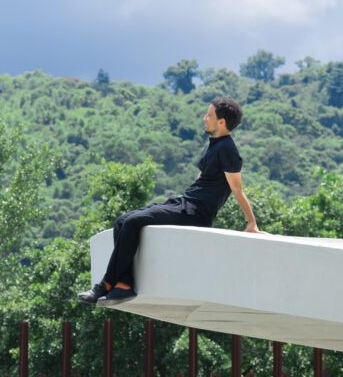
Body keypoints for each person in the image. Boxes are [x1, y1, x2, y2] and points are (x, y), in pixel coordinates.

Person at [80, 96, 260, 305]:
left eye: (209, 115)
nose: (205, 118)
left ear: (221, 122)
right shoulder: (214, 144)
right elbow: (202, 179)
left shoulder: (227, 148)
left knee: (132, 222)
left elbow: (236, 188)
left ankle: (104, 285)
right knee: (122, 221)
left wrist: (251, 223)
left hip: (195, 213)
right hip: (185, 203)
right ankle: (124, 285)